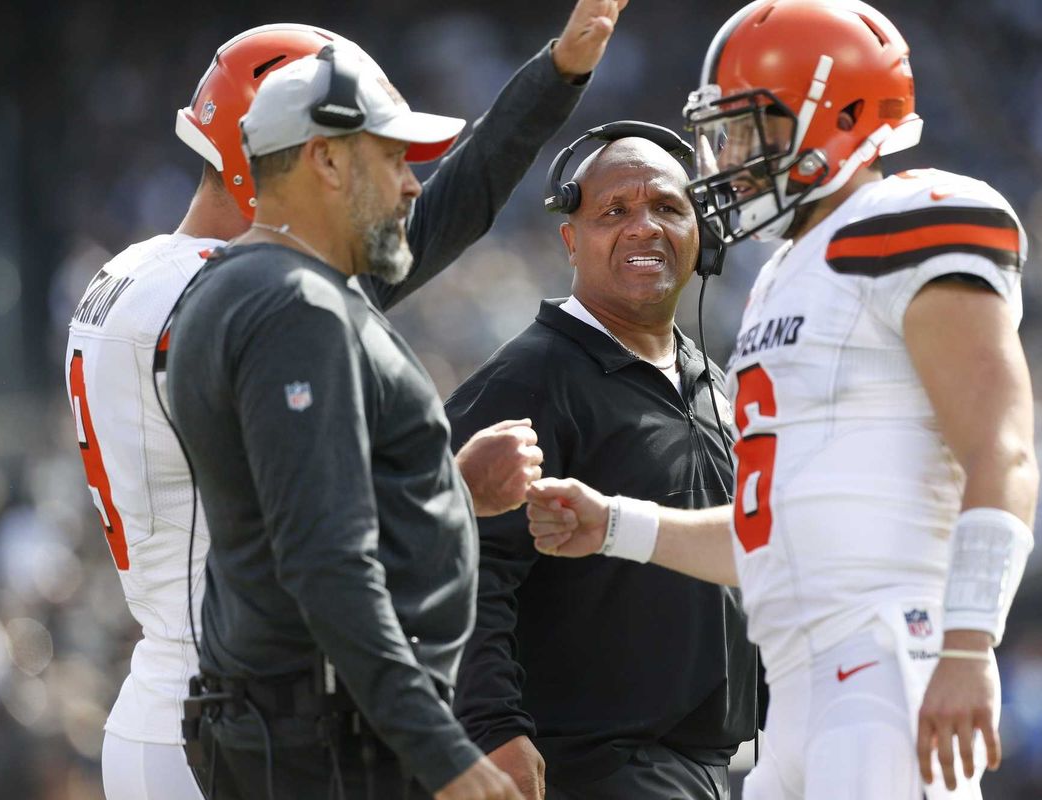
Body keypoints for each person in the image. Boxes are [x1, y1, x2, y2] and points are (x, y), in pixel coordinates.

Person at [64, 3, 623, 796]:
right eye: (385, 155)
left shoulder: (130, 277)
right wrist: (452, 493)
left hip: (175, 694)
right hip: (253, 715)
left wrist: (556, 74)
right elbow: (314, 542)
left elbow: (433, 219)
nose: (408, 183)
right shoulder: (265, 298)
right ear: (308, 155)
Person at [525, 2, 1038, 799]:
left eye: (747, 129)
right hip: (798, 686)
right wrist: (613, 525)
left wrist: (970, 642)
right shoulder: (782, 276)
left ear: (836, 111)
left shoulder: (908, 220)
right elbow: (775, 531)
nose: (726, 157)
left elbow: (1000, 449)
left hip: (884, 653)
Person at [445, 131, 757, 800]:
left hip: (705, 763)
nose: (644, 226)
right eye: (614, 211)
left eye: (668, 208)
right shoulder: (525, 382)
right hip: (585, 766)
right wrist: (490, 724)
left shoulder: (719, 387)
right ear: (570, 241)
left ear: (700, 230)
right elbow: (462, 564)